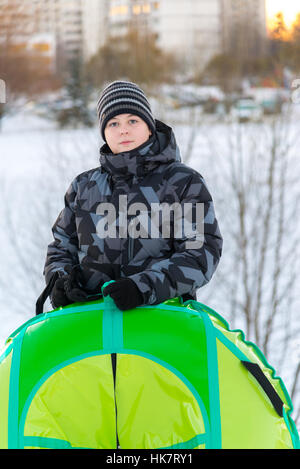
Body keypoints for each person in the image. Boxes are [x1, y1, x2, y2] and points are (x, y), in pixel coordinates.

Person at [44, 81, 223, 311]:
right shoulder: (83, 187)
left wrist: (142, 288)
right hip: (91, 321)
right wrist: (59, 282)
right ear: (104, 133)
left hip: (162, 319)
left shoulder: (184, 183)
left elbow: (200, 253)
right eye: (113, 123)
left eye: (132, 120)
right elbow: (61, 247)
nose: (123, 129)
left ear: (149, 126)